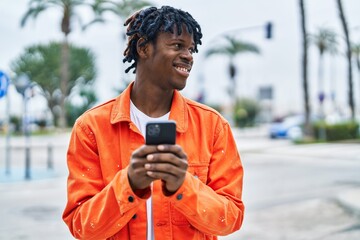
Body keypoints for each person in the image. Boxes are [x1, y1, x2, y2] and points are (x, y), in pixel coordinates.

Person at [62, 5, 244, 240]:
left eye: (191, 49)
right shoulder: (91, 128)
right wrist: (129, 183)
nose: (188, 56)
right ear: (144, 48)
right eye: (177, 45)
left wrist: (183, 186)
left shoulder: (213, 126)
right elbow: (81, 226)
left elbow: (230, 219)